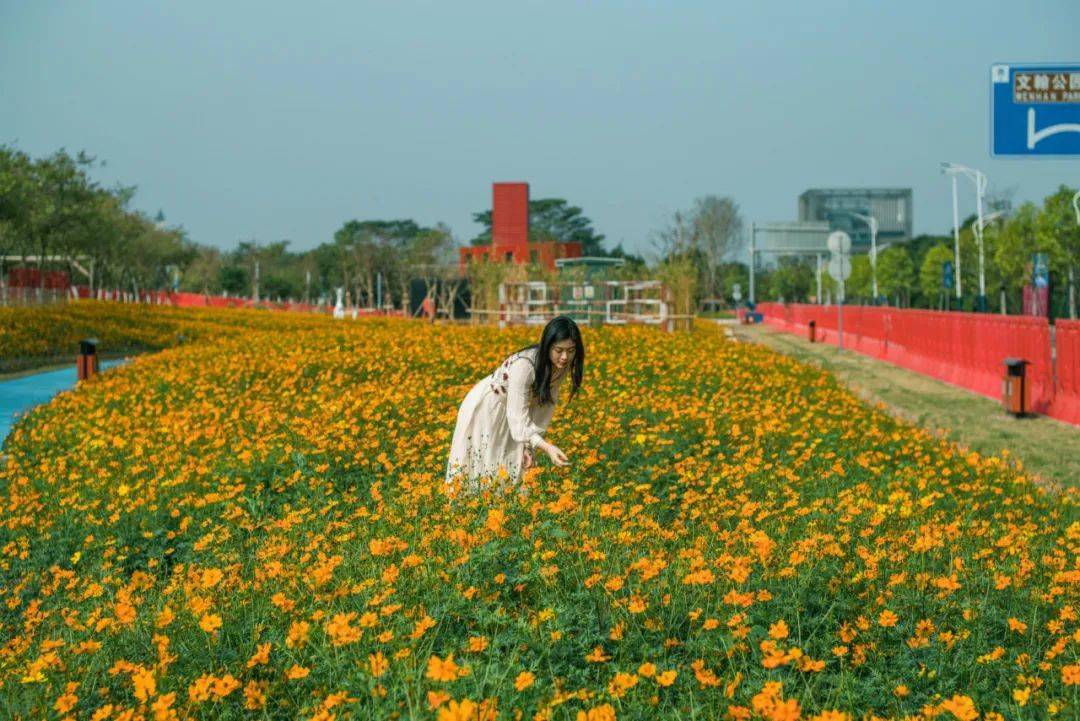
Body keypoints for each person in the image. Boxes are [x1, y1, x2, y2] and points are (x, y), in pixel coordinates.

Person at [444, 315, 583, 496]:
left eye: (571, 351)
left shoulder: (560, 367)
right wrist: (547, 447)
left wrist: (529, 447)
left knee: (513, 468)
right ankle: (470, 515)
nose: (565, 357)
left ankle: (501, 516)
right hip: (490, 408)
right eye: (559, 350)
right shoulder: (524, 366)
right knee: (483, 465)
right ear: (547, 345)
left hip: (515, 415)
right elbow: (518, 418)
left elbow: (542, 407)